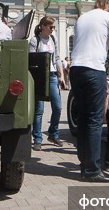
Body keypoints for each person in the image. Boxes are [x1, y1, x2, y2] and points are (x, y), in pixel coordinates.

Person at [69, 0, 109, 183]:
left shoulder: (82, 18)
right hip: (93, 69)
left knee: (84, 119)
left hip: (75, 69)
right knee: (95, 121)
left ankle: (84, 166)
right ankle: (93, 170)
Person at [29, 16, 67, 151]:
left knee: (57, 107)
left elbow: (56, 58)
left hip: (52, 76)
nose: (52, 29)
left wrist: (61, 75)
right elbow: (31, 60)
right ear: (42, 26)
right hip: (40, 77)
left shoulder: (53, 39)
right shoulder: (35, 40)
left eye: (54, 27)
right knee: (39, 110)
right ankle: (37, 138)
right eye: (50, 27)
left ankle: (53, 133)